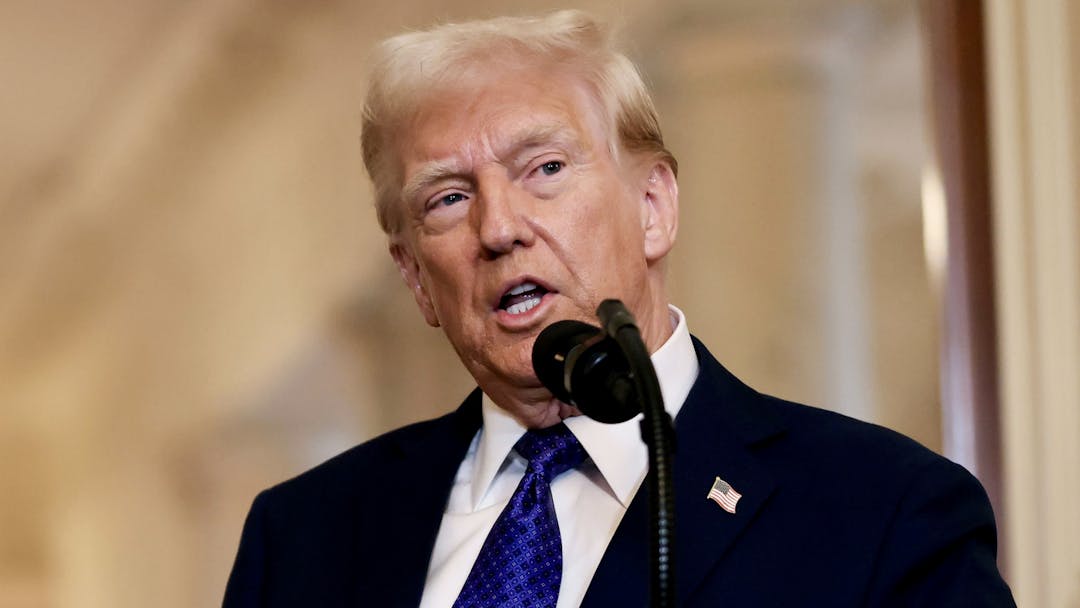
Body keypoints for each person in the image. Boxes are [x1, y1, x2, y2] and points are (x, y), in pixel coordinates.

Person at [223, 10, 1015, 607]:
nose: (498, 228)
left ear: (652, 207)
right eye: (449, 198)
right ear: (416, 278)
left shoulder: (882, 511)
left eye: (546, 167)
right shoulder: (301, 541)